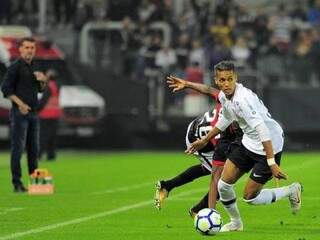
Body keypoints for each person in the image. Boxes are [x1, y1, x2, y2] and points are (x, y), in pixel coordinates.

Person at [186, 60, 302, 232]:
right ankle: (236, 223)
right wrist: (205, 139)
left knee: (249, 197)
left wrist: (271, 162)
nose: (226, 84)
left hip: (270, 143)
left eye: (230, 79)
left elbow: (263, 130)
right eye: (222, 80)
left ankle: (291, 191)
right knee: (223, 185)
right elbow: (225, 119)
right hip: (249, 141)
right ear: (217, 80)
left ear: (236, 78)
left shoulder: (243, 99)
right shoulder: (225, 97)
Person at [155, 76, 242, 216]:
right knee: (224, 178)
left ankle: (167, 185)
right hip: (199, 139)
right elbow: (218, 160)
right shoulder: (221, 131)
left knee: (209, 170)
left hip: (200, 128)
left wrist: (188, 84)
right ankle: (198, 210)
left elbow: (208, 89)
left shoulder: (229, 102)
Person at [1, 37, 47, 192]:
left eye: (32, 48)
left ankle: (36, 183)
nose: (30, 50)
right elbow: (6, 89)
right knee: (18, 148)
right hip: (19, 113)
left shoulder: (34, 66)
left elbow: (39, 90)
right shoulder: (15, 67)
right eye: (26, 47)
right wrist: (20, 105)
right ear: (20, 49)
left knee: (34, 149)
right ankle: (17, 183)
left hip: (33, 113)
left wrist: (43, 81)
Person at [38, 69, 62, 161]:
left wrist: (36, 109)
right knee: (52, 136)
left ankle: (39, 154)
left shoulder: (48, 87)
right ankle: (51, 155)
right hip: (55, 115)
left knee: (42, 136)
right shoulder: (57, 86)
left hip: (46, 115)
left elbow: (43, 101)